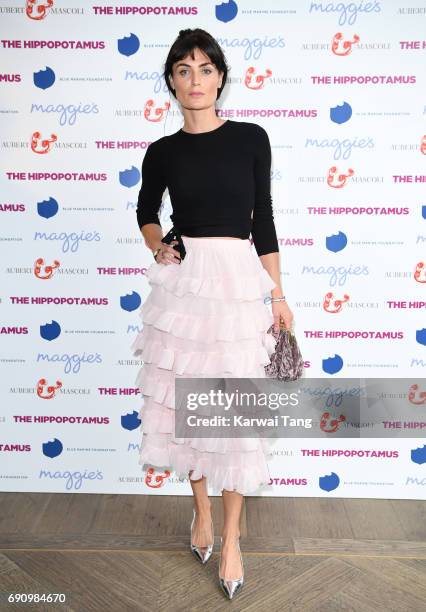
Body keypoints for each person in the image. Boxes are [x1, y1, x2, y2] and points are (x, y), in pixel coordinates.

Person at [131, 28, 294, 600]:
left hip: (237, 282)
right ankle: (199, 513)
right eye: (183, 69)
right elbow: (146, 212)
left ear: (220, 77)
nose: (194, 80)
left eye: (204, 68)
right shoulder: (163, 151)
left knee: (234, 413)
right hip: (186, 283)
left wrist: (277, 294)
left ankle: (230, 539)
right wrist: (159, 246)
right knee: (185, 403)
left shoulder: (251, 138)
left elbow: (265, 220)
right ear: (171, 81)